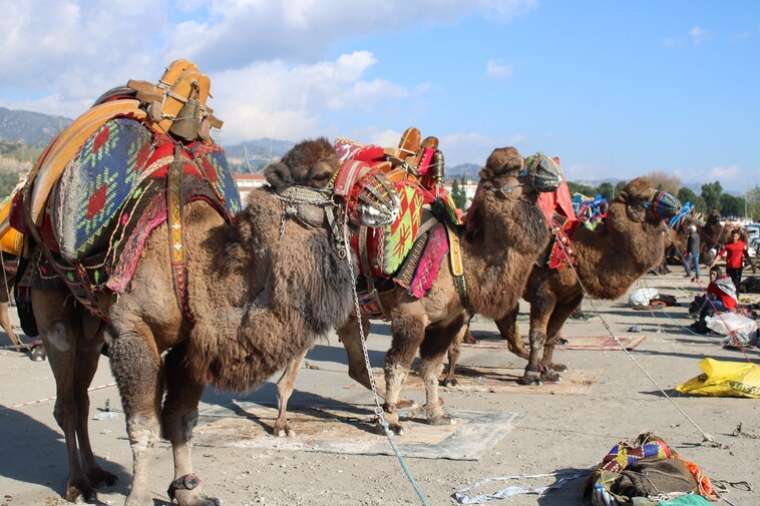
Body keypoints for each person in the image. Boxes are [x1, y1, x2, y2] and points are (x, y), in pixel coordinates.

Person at [690, 266, 737, 333]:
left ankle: (702, 326)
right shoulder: (724, 280)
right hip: (729, 303)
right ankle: (702, 322)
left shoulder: (716, 283)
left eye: (714, 274)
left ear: (718, 274)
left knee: (708, 305)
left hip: (727, 304)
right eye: (710, 274)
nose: (711, 276)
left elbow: (707, 296)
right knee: (708, 302)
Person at [712, 229, 747, 294]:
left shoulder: (742, 244)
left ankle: (736, 297)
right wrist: (714, 263)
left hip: (738, 268)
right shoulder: (727, 245)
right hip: (729, 267)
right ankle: (730, 296)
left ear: (738, 236)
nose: (734, 238)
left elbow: (746, 255)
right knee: (729, 283)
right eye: (733, 236)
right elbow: (720, 255)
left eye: (735, 236)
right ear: (731, 236)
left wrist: (752, 264)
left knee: (737, 283)